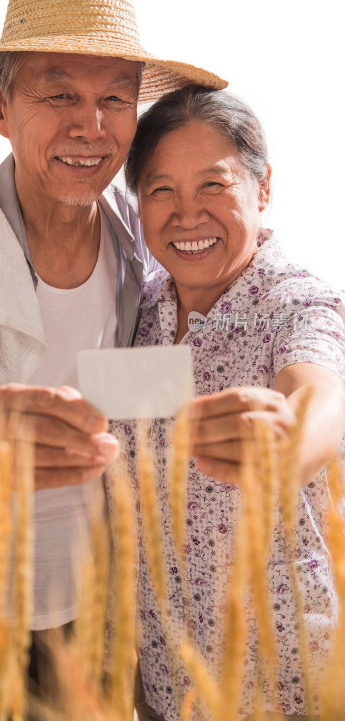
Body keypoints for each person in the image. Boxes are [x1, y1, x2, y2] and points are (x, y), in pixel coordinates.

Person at [0, 0, 226, 720]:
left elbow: (166, 367)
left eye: (113, 99)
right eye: (58, 93)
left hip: (93, 613)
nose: (89, 127)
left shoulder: (146, 236)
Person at [117, 85, 345, 720]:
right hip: (170, 695)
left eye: (212, 186)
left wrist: (291, 440)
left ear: (262, 187)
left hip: (289, 694)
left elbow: (321, 392)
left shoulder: (296, 303)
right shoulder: (140, 312)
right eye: (162, 191)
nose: (187, 216)